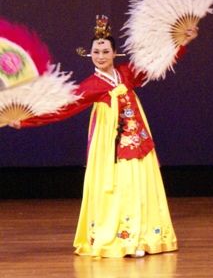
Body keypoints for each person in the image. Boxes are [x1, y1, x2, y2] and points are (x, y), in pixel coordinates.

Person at [6, 15, 195, 258]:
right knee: (120, 188)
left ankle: (144, 237)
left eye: (106, 51)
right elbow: (63, 108)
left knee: (140, 187)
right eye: (96, 51)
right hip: (111, 146)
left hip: (137, 139)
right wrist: (25, 120)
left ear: (115, 53)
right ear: (90, 54)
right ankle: (124, 239)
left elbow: (157, 63)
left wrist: (181, 43)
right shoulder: (92, 85)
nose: (101, 56)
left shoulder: (127, 73)